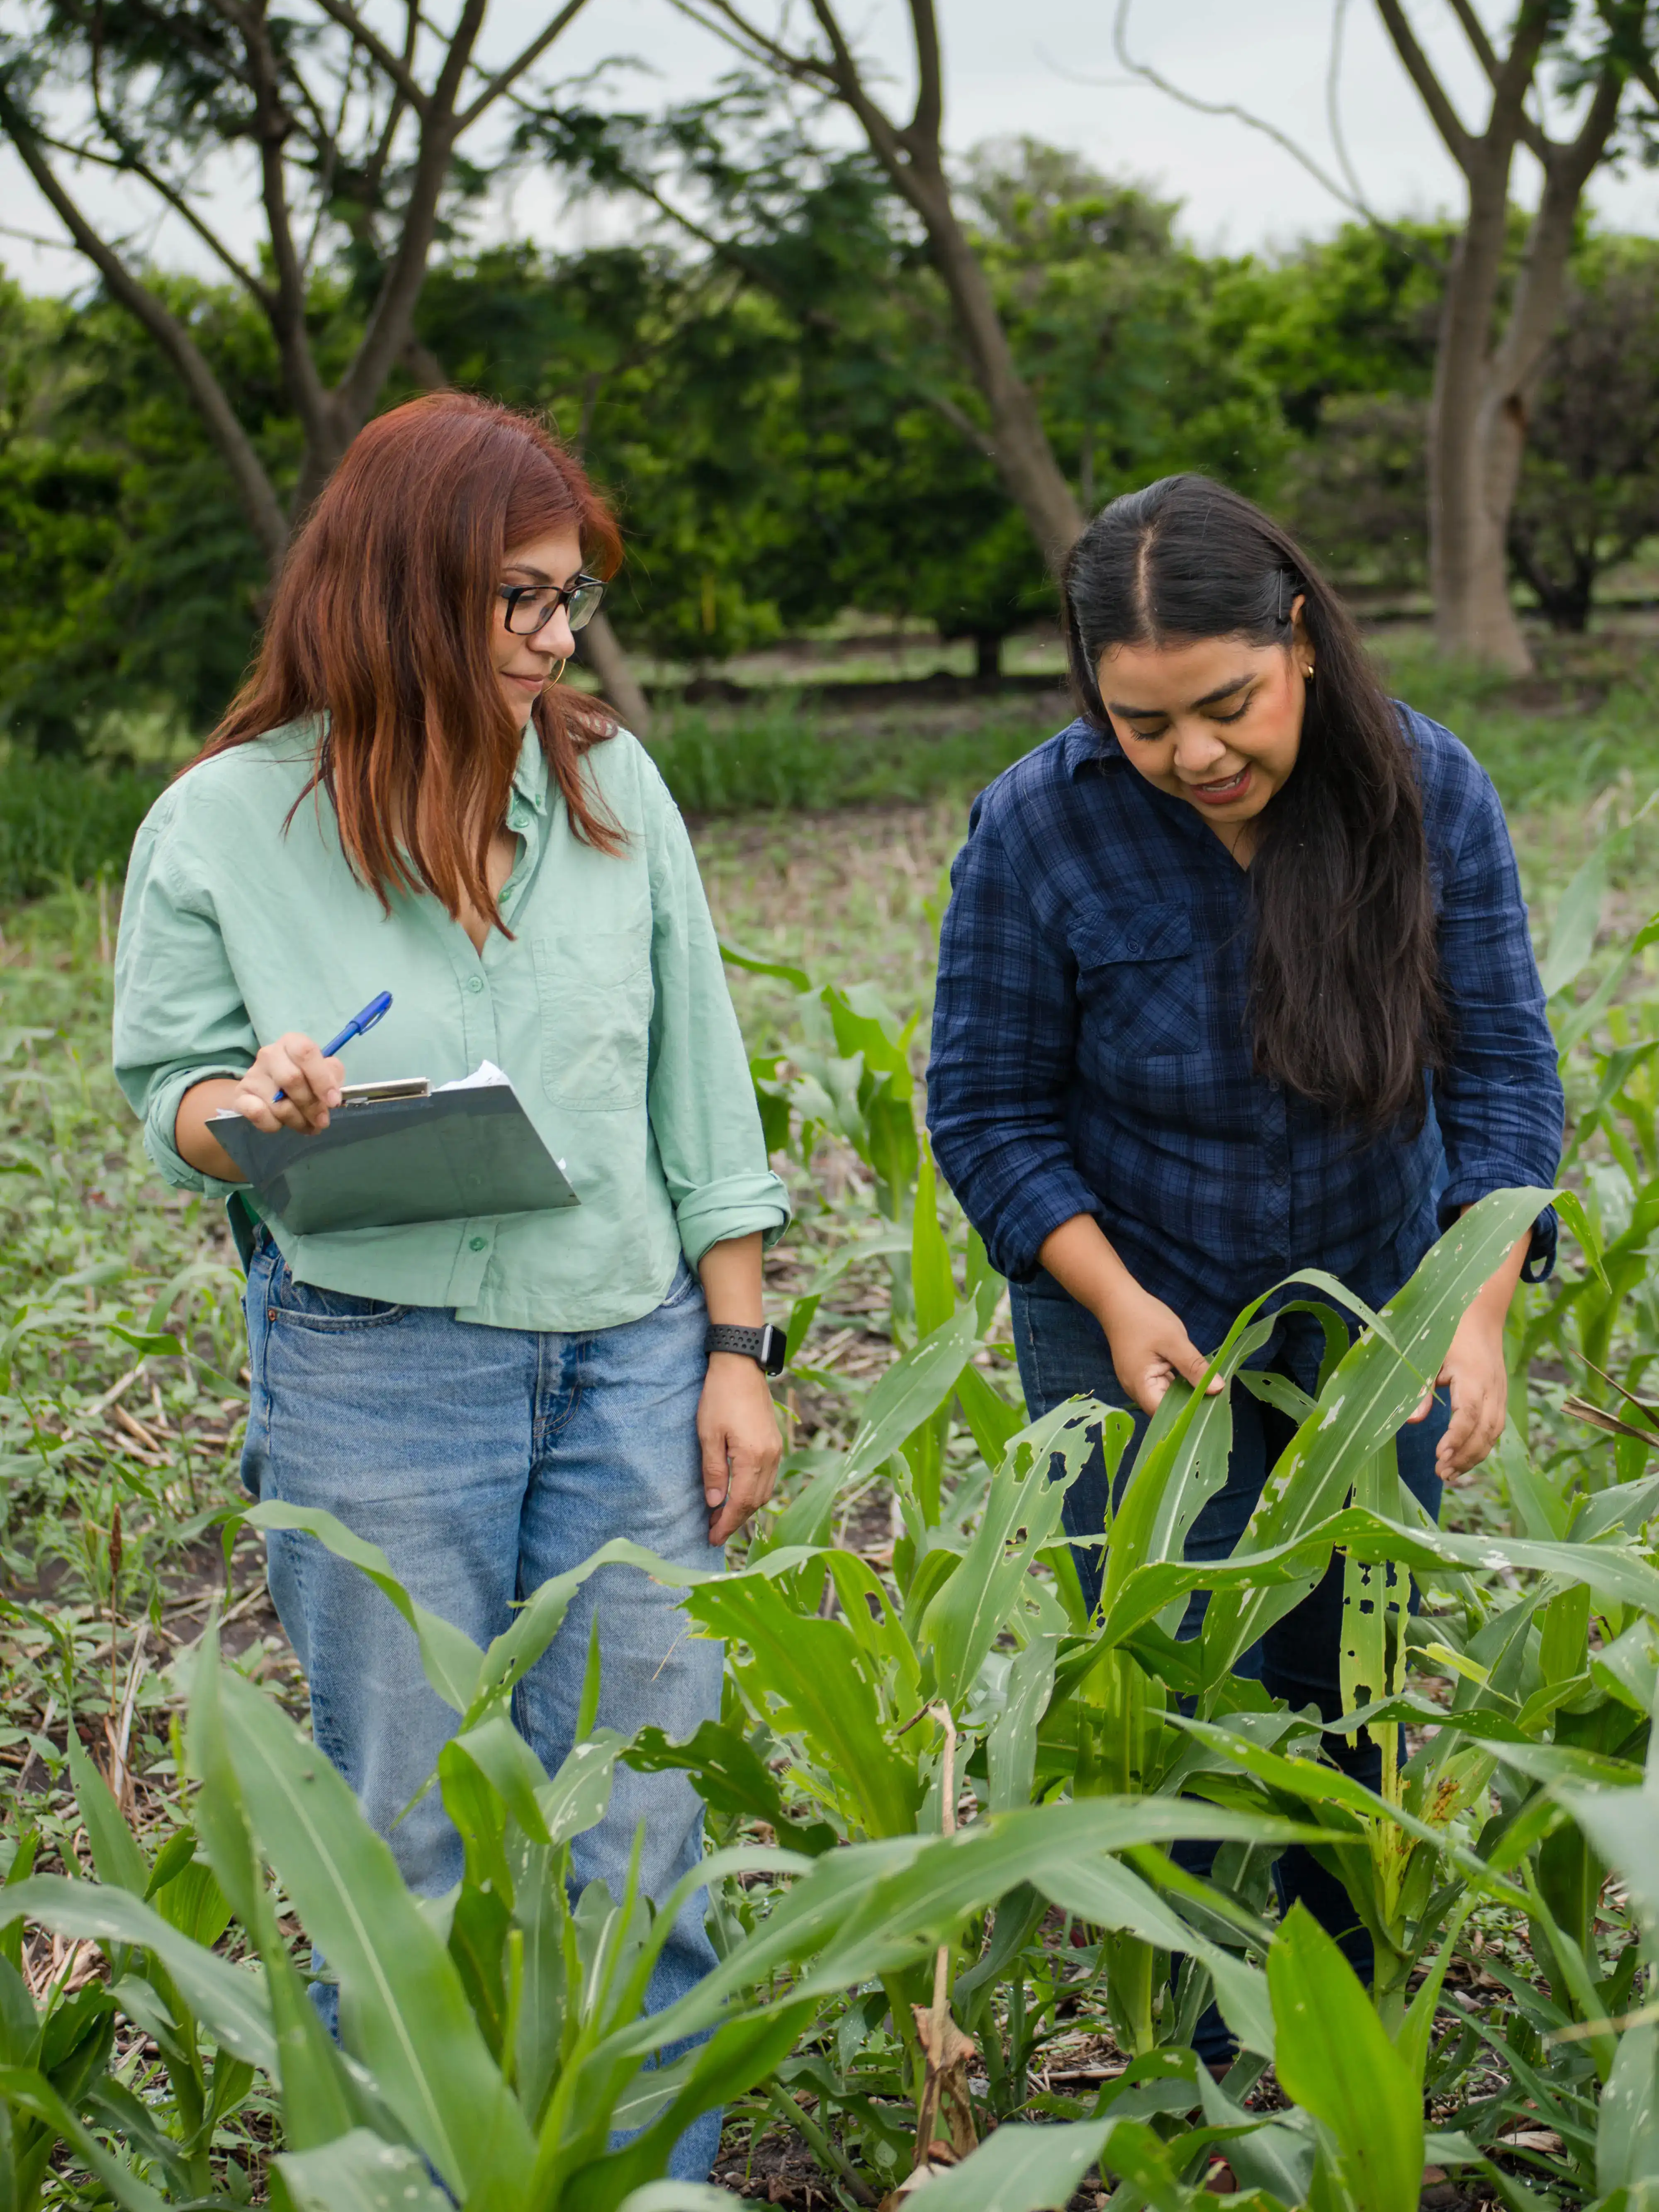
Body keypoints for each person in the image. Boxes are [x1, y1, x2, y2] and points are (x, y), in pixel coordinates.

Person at [113, 394, 789, 2176]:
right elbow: (167, 1086)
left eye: (570, 601)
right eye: (522, 601)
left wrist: (735, 1344)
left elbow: (699, 1086)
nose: (559, 640)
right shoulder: (217, 827)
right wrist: (241, 1109)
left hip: (632, 1356)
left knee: (643, 1838)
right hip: (374, 1373)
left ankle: (655, 2181)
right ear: (405, 586)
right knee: (399, 1852)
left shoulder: (606, 780)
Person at [925, 473, 1563, 2054]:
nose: (1195, 756)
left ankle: (1350, 2029)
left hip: (1375, 1302)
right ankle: (1204, 2049)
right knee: (1185, 1684)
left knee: (1358, 1678)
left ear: (1297, 637)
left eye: (1226, 707)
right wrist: (1116, 1298)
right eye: (1146, 726)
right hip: (1136, 1311)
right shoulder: (1041, 826)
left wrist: (1472, 1313)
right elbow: (988, 1112)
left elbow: (1503, 1078)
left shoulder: (1426, 788)